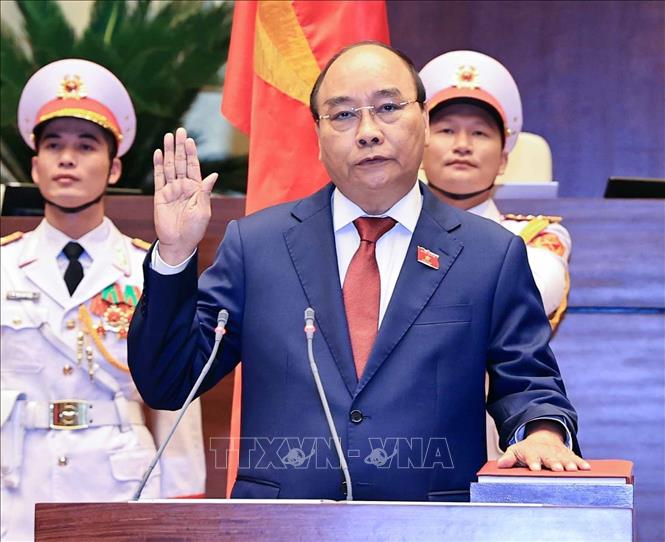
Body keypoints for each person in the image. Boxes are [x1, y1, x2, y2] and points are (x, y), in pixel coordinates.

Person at [128, 42, 589, 503]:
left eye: (388, 107)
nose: (368, 131)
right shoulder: (257, 247)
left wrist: (543, 433)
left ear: (424, 121)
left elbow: (528, 381)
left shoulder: (489, 254)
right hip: (280, 527)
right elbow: (168, 382)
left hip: (431, 528)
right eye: (343, 115)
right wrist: (174, 254)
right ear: (318, 135)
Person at [1, 59, 205, 541]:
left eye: (85, 146)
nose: (66, 159)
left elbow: (176, 403)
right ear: (35, 166)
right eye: (53, 146)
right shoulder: (3, 266)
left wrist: (184, 506)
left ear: (114, 167)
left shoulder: (151, 269)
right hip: (15, 484)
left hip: (121, 485)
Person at [419, 50, 571, 326]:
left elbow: (528, 298)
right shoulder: (391, 229)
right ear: (419, 149)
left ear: (503, 160)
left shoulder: (535, 238)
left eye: (479, 132)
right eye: (447, 131)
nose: (462, 145)